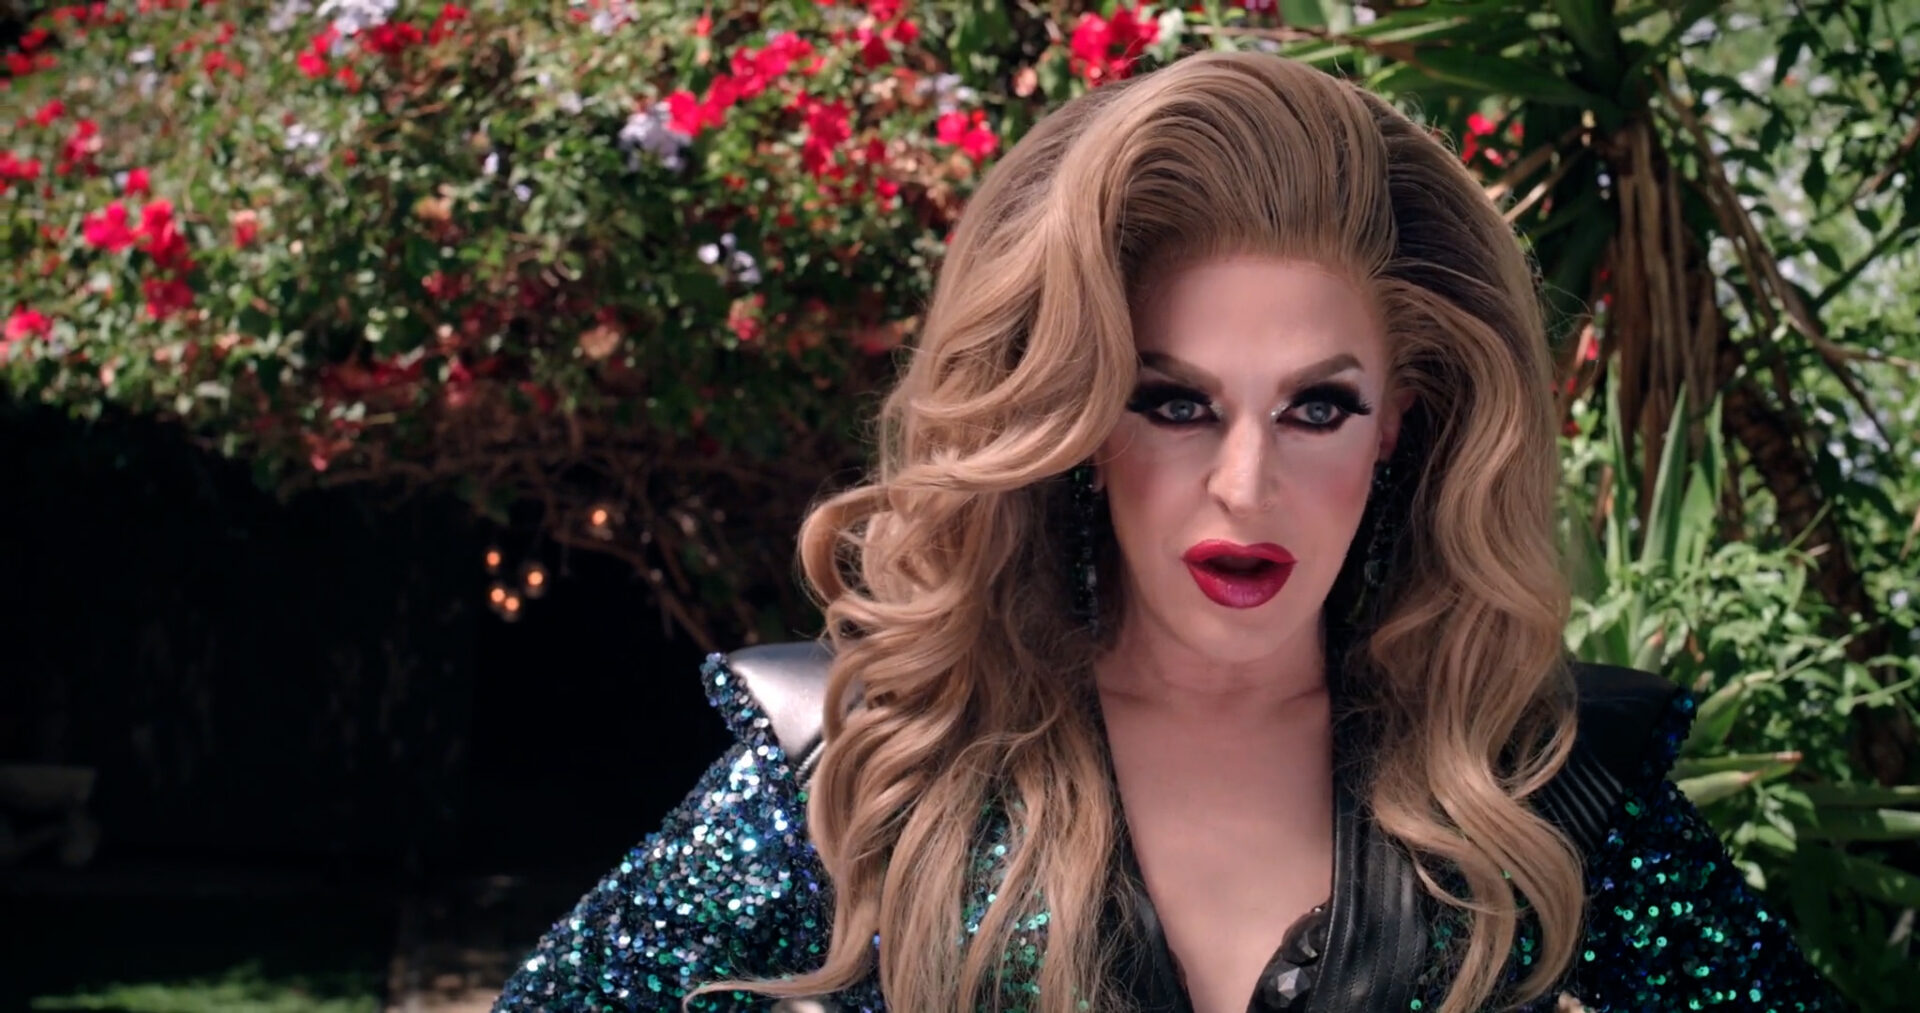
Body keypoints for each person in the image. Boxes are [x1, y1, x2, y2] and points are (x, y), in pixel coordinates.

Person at [494, 51, 1843, 1013]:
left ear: (1400, 423)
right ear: (1080, 417)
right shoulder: (873, 764)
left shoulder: (1541, 785)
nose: (1245, 486)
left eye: (1318, 406)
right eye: (1176, 403)